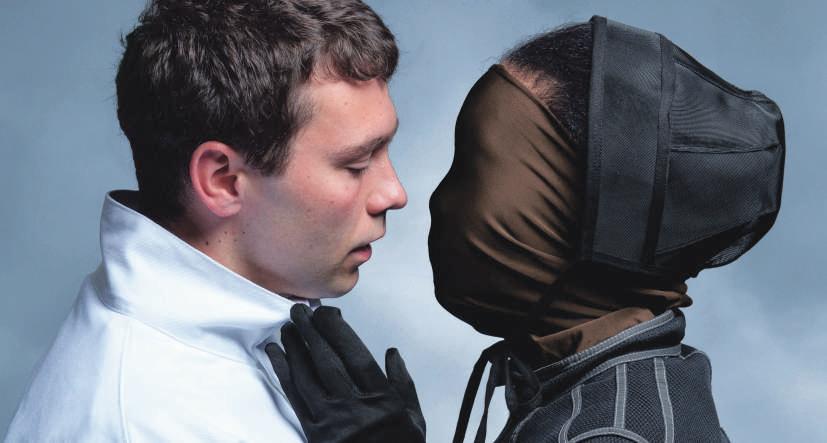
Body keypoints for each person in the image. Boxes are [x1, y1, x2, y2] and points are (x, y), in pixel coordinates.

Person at [268, 16, 784, 443]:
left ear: (596, 224)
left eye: (478, 173)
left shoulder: (615, 435)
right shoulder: (594, 385)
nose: (433, 199)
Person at [4, 0, 407, 441]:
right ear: (223, 180)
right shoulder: (142, 420)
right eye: (356, 164)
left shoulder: (269, 310)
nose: (394, 193)